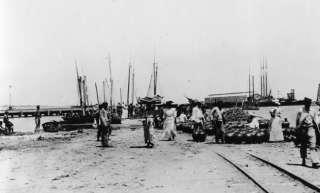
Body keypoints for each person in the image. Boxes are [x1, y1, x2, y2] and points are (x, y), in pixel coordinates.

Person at [296, 97, 320, 168]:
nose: (308, 105)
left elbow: (316, 121)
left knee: (313, 146)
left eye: (309, 104)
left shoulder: (313, 111)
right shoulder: (300, 111)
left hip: (311, 129)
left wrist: (318, 131)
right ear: (305, 104)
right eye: (307, 104)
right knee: (303, 146)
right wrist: (297, 131)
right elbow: (297, 121)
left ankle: (314, 162)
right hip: (303, 130)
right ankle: (303, 159)